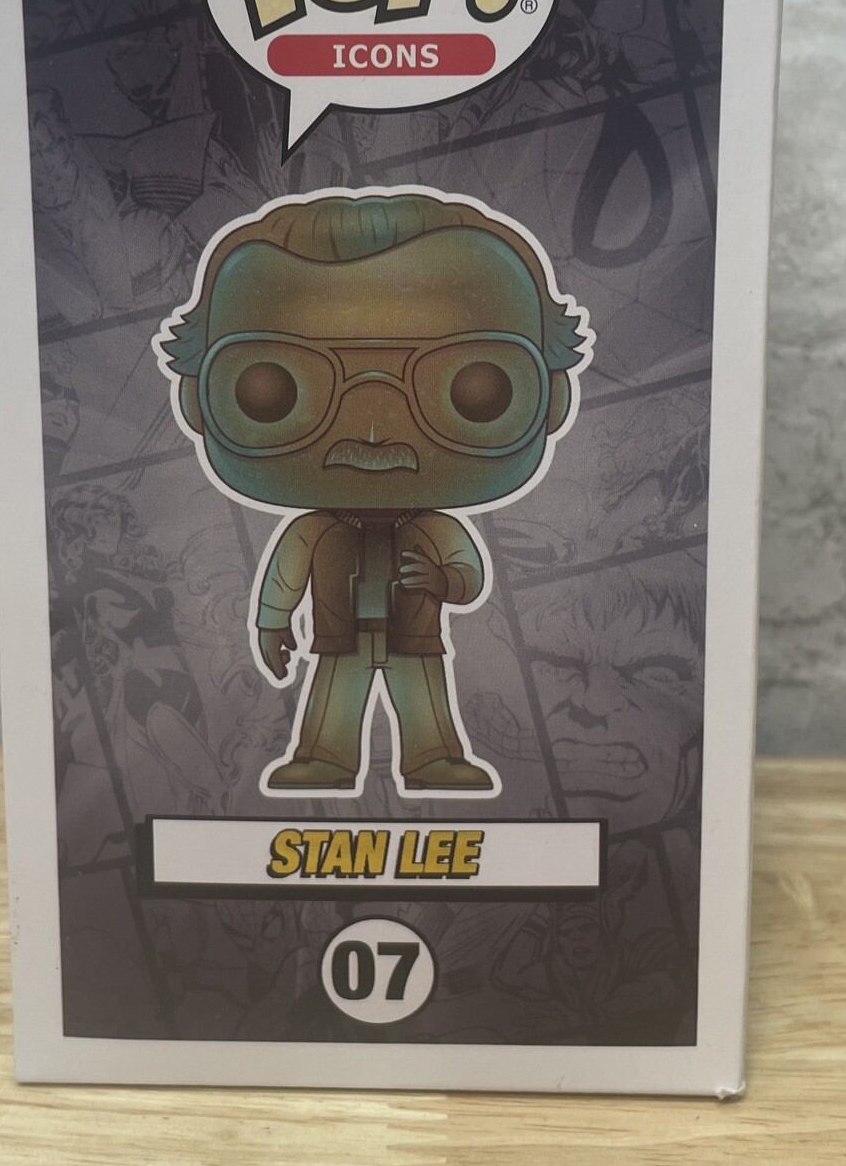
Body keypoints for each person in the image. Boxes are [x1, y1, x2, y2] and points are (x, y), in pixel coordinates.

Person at [157, 188, 591, 795]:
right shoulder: (315, 530)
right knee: (334, 696)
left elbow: (468, 575)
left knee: (424, 699)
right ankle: (325, 758)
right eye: (272, 389)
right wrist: (271, 623)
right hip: (338, 636)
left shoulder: (434, 528)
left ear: (552, 399)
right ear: (197, 401)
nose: (371, 428)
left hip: (416, 634)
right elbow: (286, 575)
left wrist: (443, 582)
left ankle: (433, 758)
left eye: (474, 389)